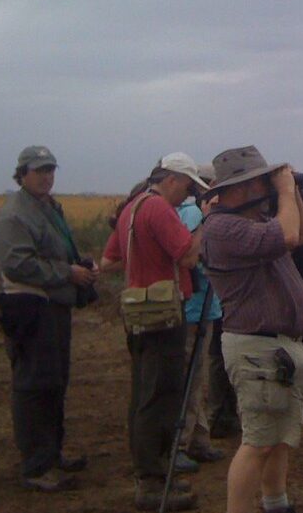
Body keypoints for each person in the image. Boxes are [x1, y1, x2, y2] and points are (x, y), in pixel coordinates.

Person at [198, 145, 303, 513]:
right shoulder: (222, 227)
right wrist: (281, 191)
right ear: (243, 187)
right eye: (260, 181)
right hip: (256, 347)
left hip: (276, 347)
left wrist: (290, 190)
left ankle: (276, 503)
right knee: (259, 442)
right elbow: (291, 237)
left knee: (279, 438)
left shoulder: (256, 223)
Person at [101, 152, 209, 512]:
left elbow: (109, 260)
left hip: (138, 311)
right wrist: (205, 224)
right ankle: (151, 481)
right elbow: (189, 256)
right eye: (189, 186)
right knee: (160, 395)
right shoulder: (160, 208)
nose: (189, 194)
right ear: (173, 179)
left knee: (144, 393)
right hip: (164, 311)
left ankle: (152, 471)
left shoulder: (133, 206)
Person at [0, 146, 98, 491]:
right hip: (28, 306)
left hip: (52, 305)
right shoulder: (14, 214)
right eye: (39, 170)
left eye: (50, 169)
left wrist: (79, 263)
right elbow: (17, 264)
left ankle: (51, 454)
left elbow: (54, 250)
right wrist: (67, 272)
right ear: (21, 174)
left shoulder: (48, 207)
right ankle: (37, 467)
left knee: (54, 381)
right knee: (34, 385)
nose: (47, 176)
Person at [173, 165, 226, 470]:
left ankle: (199, 439)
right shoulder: (194, 215)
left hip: (199, 305)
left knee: (197, 376)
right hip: (196, 306)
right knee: (192, 378)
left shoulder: (188, 212)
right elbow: (194, 259)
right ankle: (182, 444)